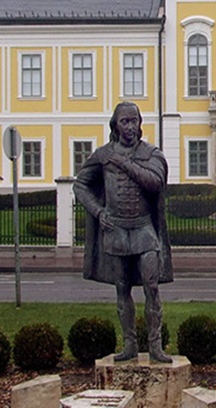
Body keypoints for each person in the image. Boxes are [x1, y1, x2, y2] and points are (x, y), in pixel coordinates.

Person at [74, 101, 174, 362]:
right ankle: (129, 345)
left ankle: (155, 346)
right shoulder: (102, 155)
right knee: (122, 288)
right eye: (124, 121)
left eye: (134, 121)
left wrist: (123, 162)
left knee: (151, 287)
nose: (130, 126)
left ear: (140, 124)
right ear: (115, 125)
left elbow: (155, 183)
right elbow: (80, 186)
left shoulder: (152, 153)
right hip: (116, 230)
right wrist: (99, 211)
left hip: (143, 228)